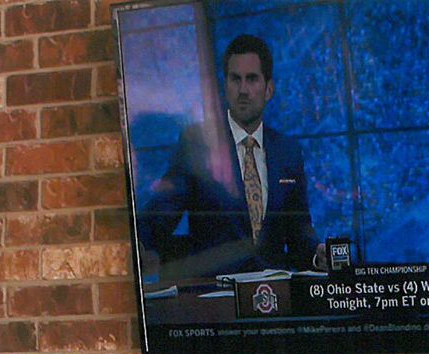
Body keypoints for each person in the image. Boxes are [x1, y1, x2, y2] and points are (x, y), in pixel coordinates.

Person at [137, 34, 320, 280]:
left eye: (252, 79)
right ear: (226, 86)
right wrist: (137, 244)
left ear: (269, 89)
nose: (243, 90)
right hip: (215, 301)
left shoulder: (288, 152)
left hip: (275, 299)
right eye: (235, 79)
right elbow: (161, 214)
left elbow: (299, 233)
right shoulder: (198, 142)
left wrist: (319, 255)